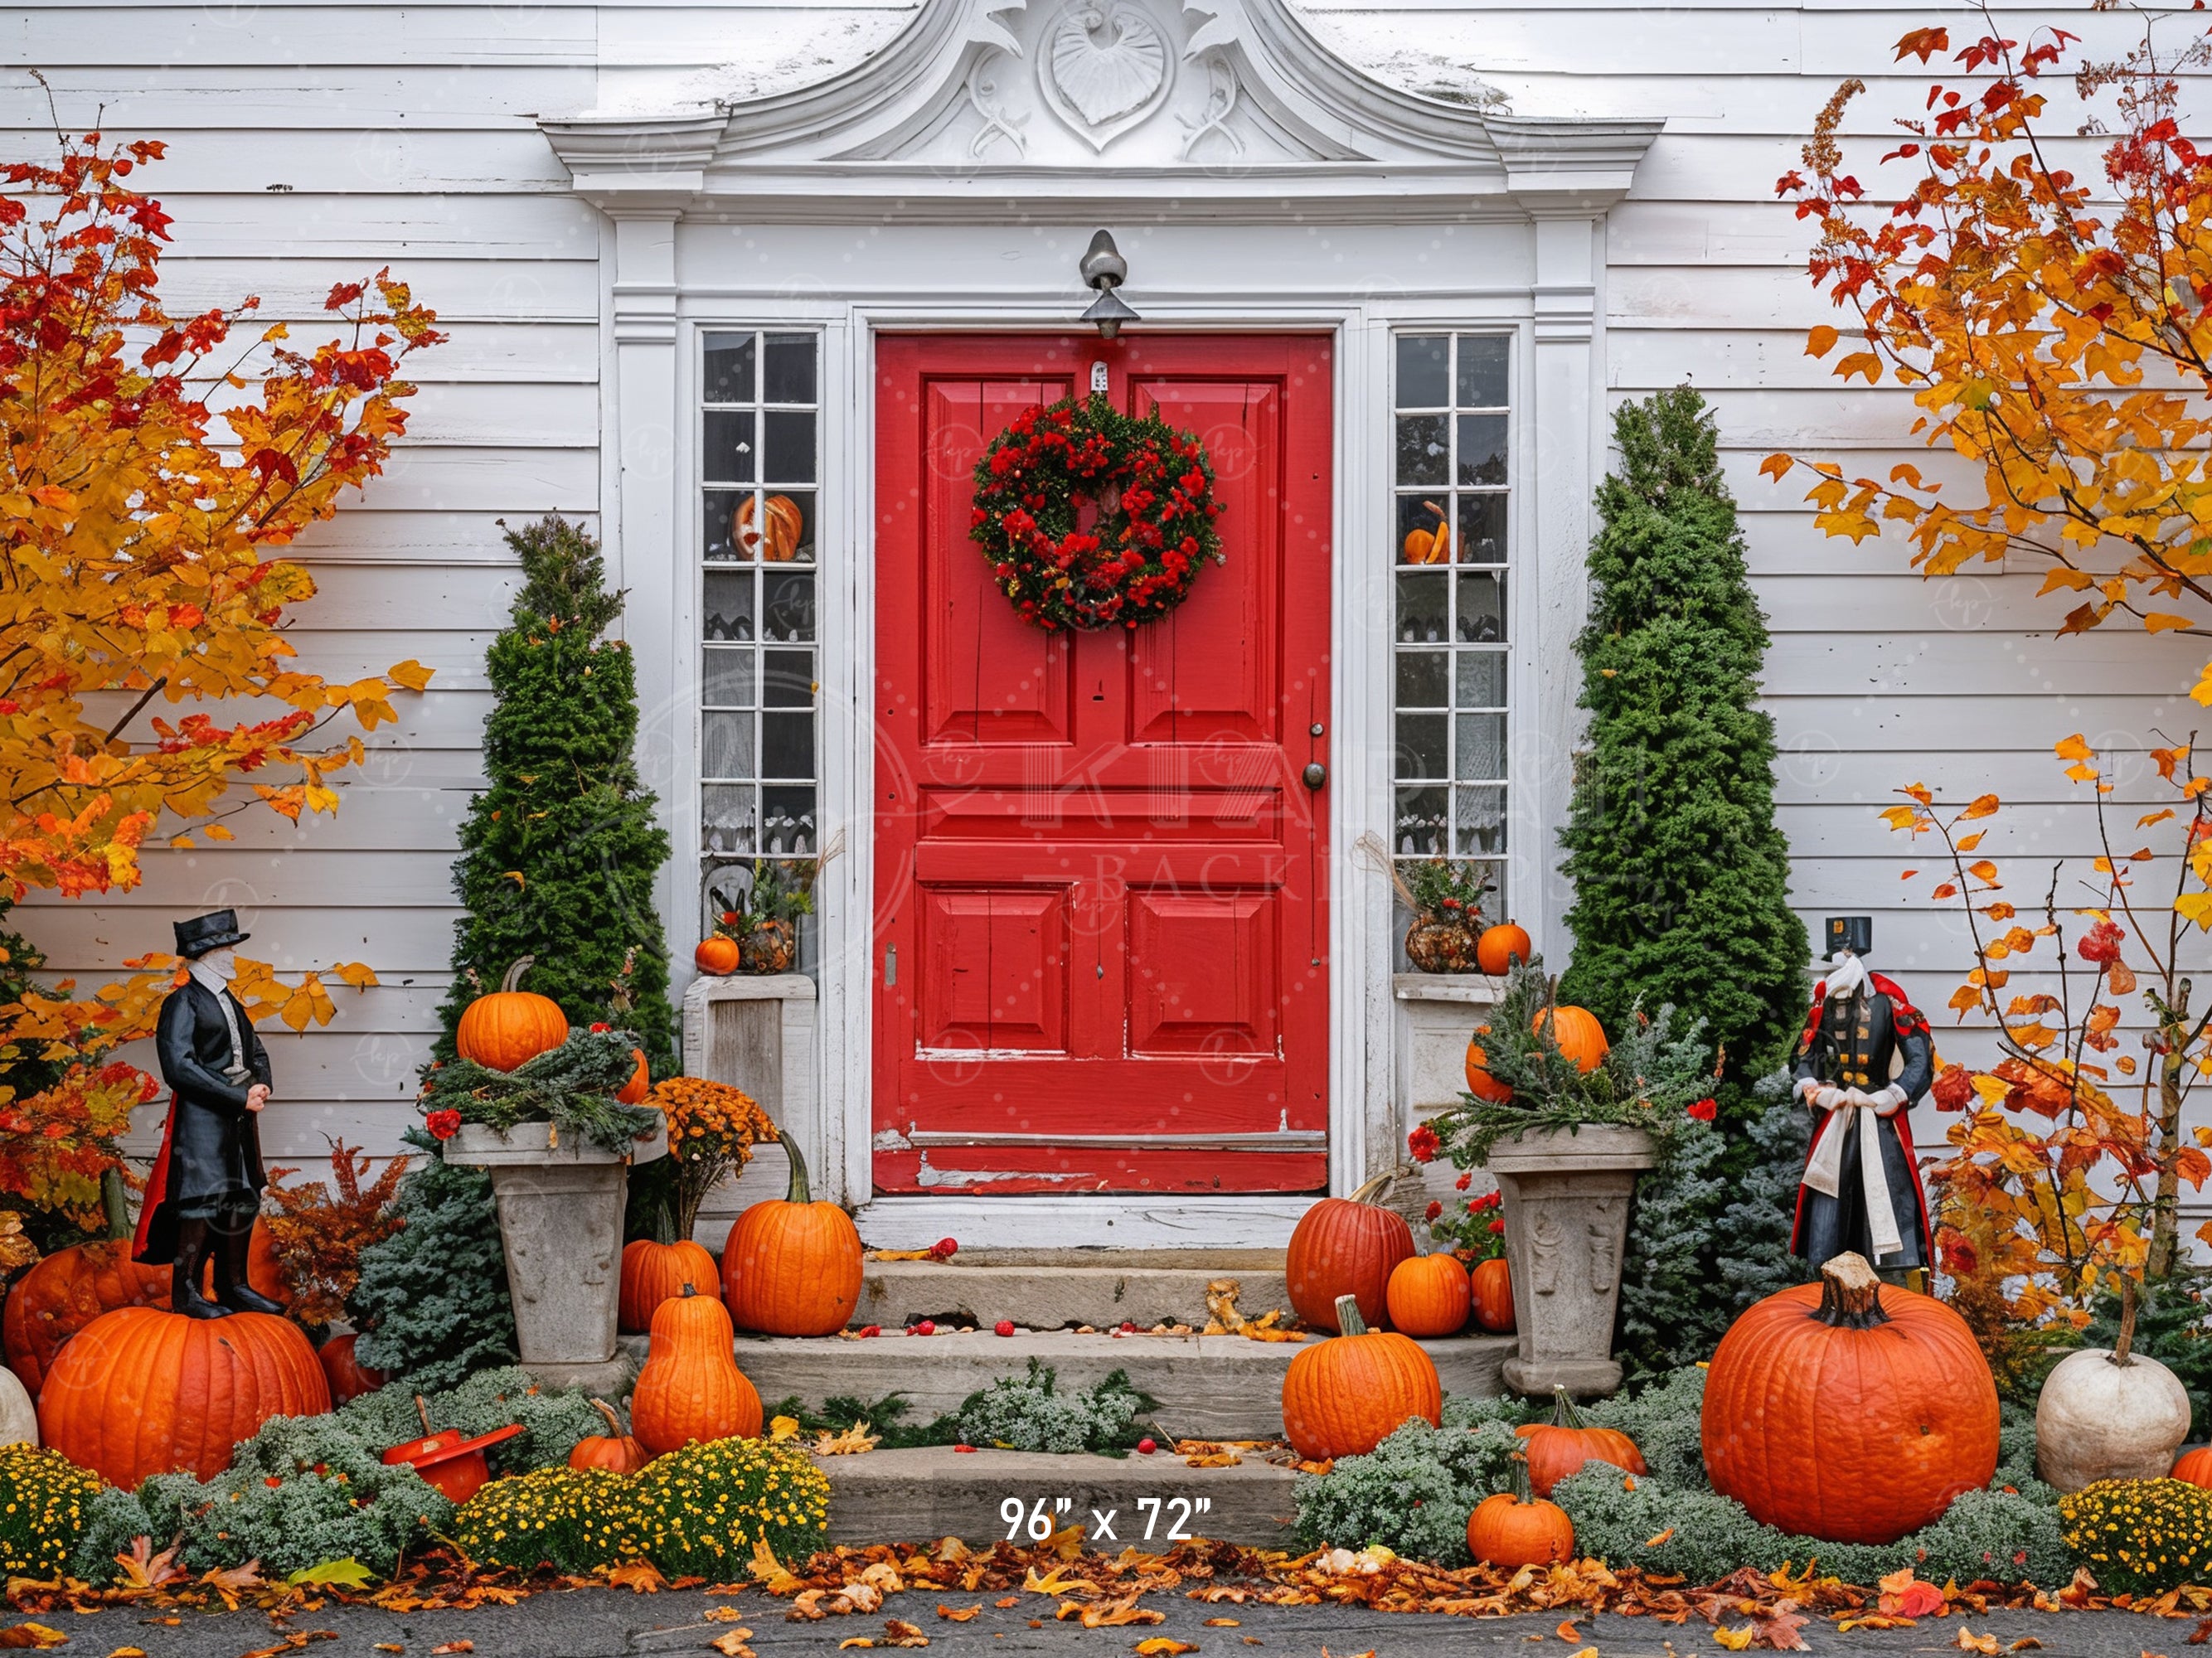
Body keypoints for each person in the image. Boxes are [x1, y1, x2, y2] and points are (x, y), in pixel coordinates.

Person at [131, 909, 285, 1319]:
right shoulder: (182, 1003)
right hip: (201, 1120)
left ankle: (233, 1285)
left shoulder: (231, 1002)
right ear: (207, 955)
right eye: (228, 949)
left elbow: (254, 1050)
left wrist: (262, 1081)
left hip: (238, 1121)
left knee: (243, 1198)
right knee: (200, 1201)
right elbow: (179, 1066)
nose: (234, 957)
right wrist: (236, 1097)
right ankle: (188, 1292)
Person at [1790, 915, 1935, 1283]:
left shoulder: (1890, 1001)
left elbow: (1919, 1056)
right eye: (1837, 952)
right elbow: (1802, 1058)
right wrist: (1818, 1092)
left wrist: (1895, 1093)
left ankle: (1886, 1285)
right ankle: (1831, 1281)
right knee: (1830, 1204)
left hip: (1879, 1121)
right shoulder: (1823, 1003)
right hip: (1836, 1119)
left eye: (1848, 951)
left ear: (1858, 957)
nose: (1842, 957)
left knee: (1883, 1196)